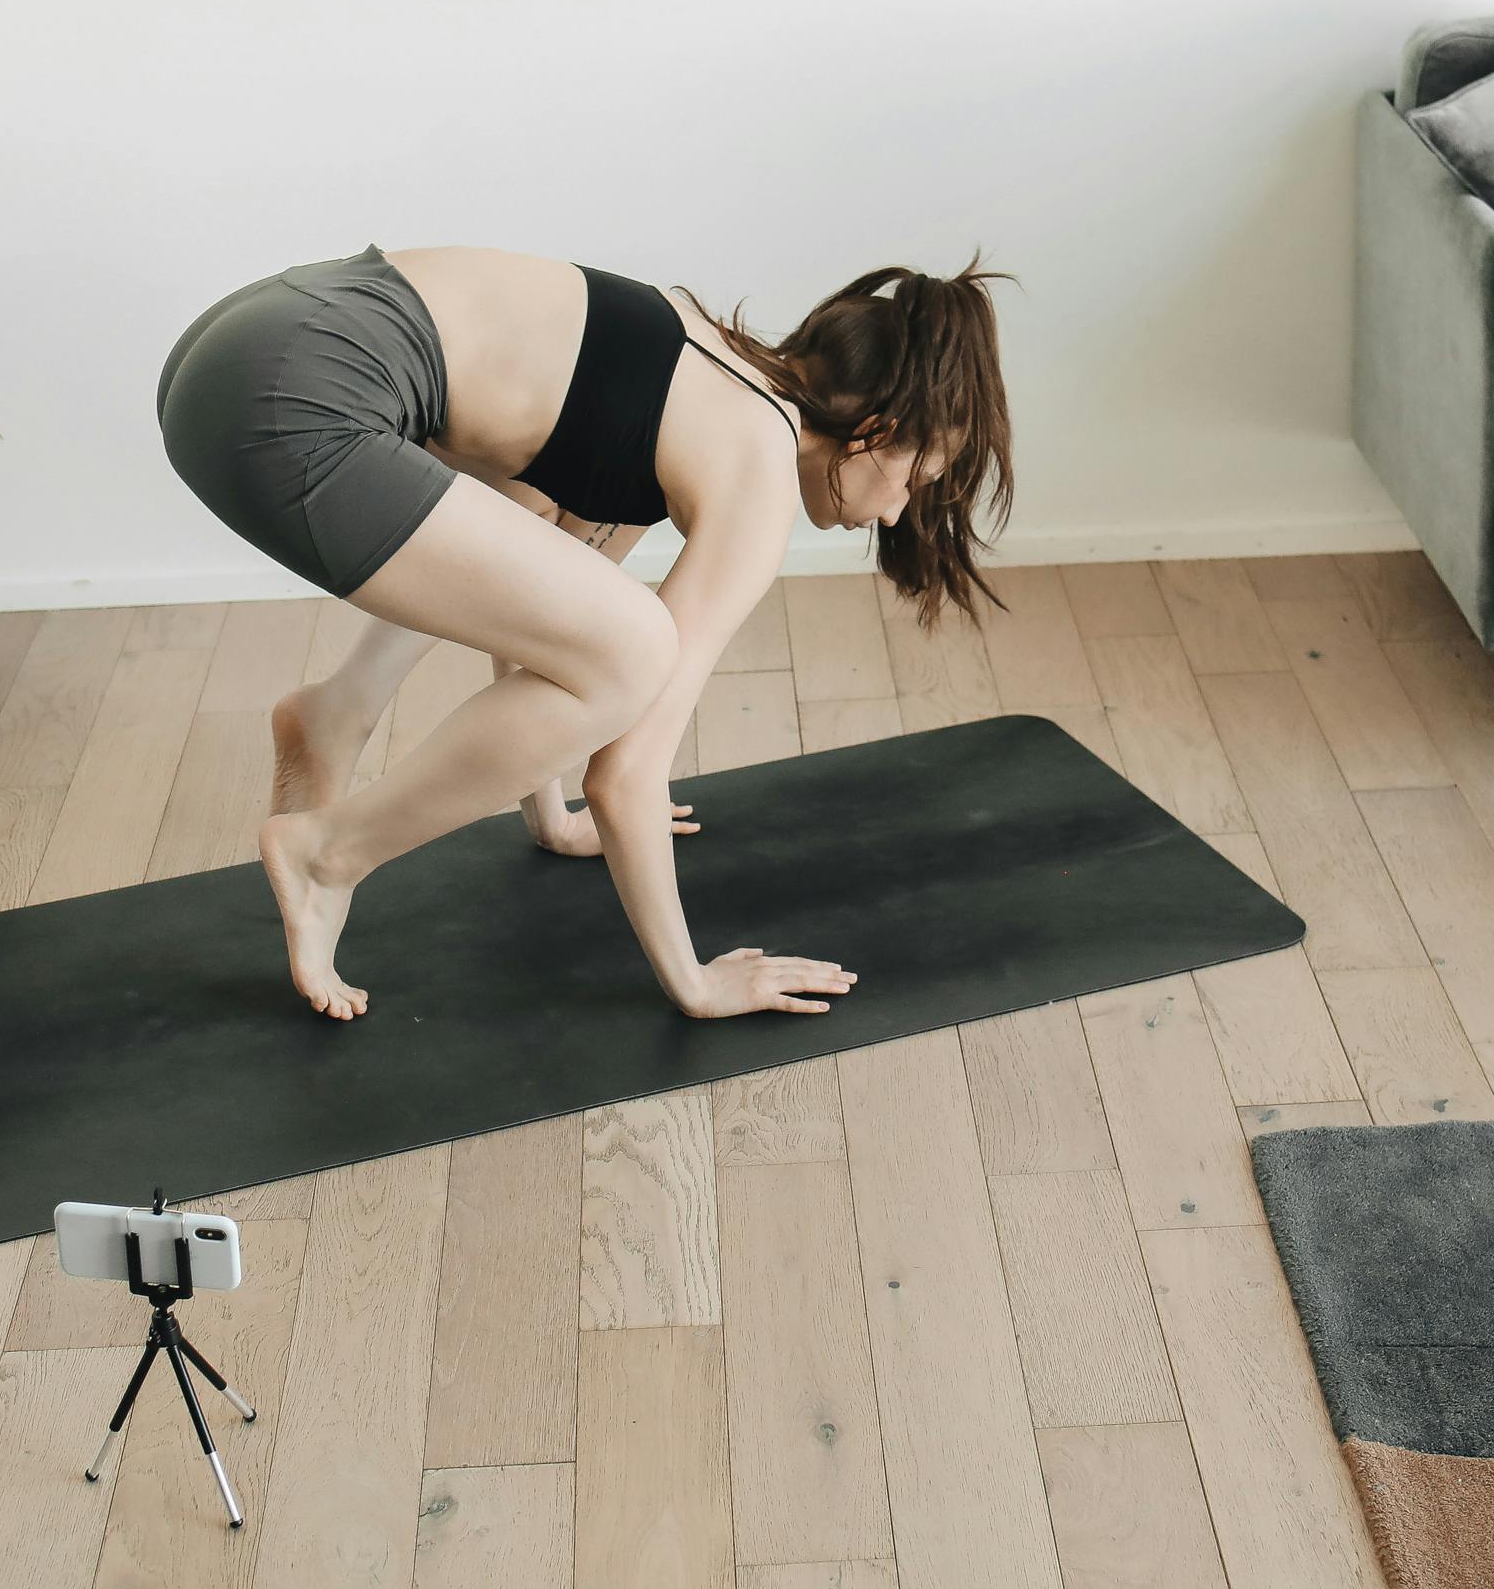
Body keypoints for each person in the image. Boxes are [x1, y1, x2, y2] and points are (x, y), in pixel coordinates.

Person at [154, 244, 1013, 1020]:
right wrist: (695, 982)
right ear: (877, 431)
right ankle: (327, 855)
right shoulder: (759, 467)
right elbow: (628, 768)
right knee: (638, 647)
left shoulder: (692, 350)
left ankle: (339, 708)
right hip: (286, 401)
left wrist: (550, 813)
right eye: (918, 478)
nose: (900, 509)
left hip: (249, 335)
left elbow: (542, 611)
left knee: (562, 575)